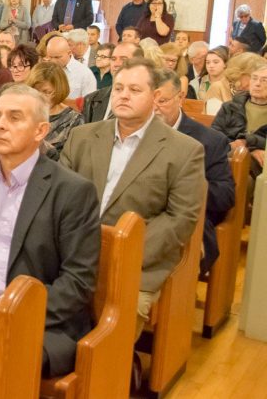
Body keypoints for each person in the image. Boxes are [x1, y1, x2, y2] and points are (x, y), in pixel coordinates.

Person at [0, 83, 100, 378]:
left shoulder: (72, 191)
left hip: (38, 321)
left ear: (40, 131)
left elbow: (77, 281)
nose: (0, 125)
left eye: (14, 117)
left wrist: (11, 314)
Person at [61, 57, 205, 337]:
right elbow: (61, 199)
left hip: (136, 263)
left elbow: (180, 218)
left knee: (114, 326)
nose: (123, 95)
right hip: (72, 254)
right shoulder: (82, 137)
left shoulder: (184, 150)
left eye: (135, 90)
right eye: (118, 88)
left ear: (155, 97)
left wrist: (121, 253)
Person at [153, 68, 235, 274]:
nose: (154, 108)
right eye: (150, 100)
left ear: (180, 98)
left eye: (162, 101)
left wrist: (181, 188)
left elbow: (224, 196)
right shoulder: (132, 133)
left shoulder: (209, 141)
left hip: (185, 222)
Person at [212, 62, 267, 171]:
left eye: (264, 80)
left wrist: (248, 147)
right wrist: (247, 151)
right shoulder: (230, 107)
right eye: (254, 78)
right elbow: (214, 136)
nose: (257, 84)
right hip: (228, 157)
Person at [27, 62, 85, 156]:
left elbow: (74, 158)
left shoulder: (74, 120)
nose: (40, 97)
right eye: (35, 91)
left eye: (46, 92)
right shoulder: (24, 113)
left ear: (59, 90)